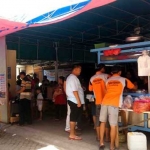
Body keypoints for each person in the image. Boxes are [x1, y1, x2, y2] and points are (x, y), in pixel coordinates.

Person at [99, 65, 136, 150]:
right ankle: (112, 146)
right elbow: (134, 87)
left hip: (104, 102)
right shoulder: (124, 80)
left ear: (112, 72)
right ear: (120, 72)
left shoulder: (107, 80)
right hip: (114, 104)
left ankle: (101, 143)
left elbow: (106, 91)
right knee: (113, 125)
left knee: (102, 122)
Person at [89, 64, 109, 141]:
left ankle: (98, 136)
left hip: (98, 101)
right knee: (106, 119)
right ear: (102, 69)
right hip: (106, 101)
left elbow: (90, 89)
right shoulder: (106, 76)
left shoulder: (92, 78)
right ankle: (107, 137)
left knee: (98, 119)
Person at [66, 65, 84, 140]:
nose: (80, 71)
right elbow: (74, 91)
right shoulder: (73, 78)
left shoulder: (72, 78)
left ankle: (72, 132)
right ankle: (72, 134)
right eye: (79, 70)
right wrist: (79, 101)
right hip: (74, 100)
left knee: (74, 117)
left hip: (74, 100)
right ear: (75, 69)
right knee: (73, 117)